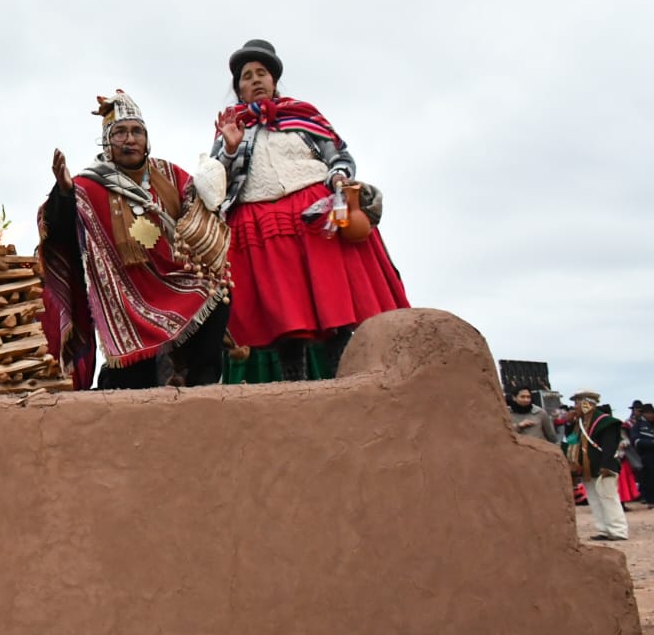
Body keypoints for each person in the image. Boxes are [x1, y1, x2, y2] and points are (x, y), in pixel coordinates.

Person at [209, 39, 410, 380]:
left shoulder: (303, 116)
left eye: (262, 73)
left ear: (274, 82)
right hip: (263, 224)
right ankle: (298, 392)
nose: (255, 80)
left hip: (314, 215)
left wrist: (339, 182)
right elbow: (215, 183)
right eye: (247, 76)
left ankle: (344, 383)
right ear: (239, 89)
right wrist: (228, 149)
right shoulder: (231, 129)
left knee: (336, 306)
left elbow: (339, 157)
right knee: (288, 316)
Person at [38, 88, 231, 390]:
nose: (130, 139)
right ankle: (115, 393)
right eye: (121, 133)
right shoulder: (87, 185)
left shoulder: (166, 173)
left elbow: (204, 197)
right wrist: (63, 191)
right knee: (131, 382)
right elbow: (58, 230)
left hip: (170, 279)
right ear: (107, 141)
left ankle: (199, 383)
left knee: (215, 292)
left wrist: (225, 156)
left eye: (137, 132)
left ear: (147, 139)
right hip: (123, 290)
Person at [569, 390, 628, 541]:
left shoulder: (606, 422)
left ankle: (618, 531)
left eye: (578, 403)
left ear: (587, 403)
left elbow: (609, 446)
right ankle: (603, 529)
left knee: (608, 498)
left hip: (604, 467)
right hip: (587, 469)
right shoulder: (579, 423)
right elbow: (571, 442)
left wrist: (606, 465)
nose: (575, 406)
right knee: (594, 499)